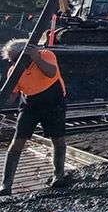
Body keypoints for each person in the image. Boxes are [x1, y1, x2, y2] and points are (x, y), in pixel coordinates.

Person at [0, 40, 68, 196]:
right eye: (11, 61)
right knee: (17, 142)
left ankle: (59, 176)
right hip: (30, 106)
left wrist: (36, 57)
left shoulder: (45, 55)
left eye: (15, 59)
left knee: (58, 139)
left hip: (53, 103)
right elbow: (13, 96)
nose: (13, 63)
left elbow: (51, 72)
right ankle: (6, 185)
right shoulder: (14, 71)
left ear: (25, 55)